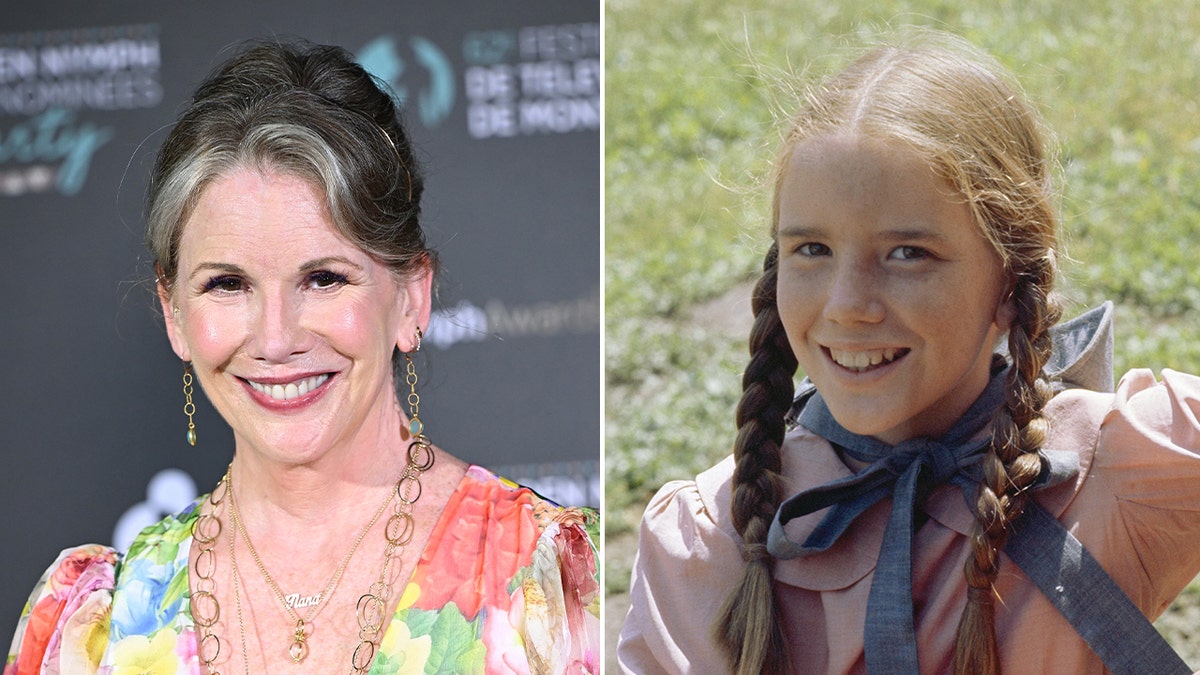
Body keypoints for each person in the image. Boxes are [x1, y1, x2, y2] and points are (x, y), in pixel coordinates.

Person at [6, 41, 598, 675]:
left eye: (323, 278)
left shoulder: (548, 585)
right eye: (226, 284)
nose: (276, 338)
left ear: (410, 298)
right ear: (174, 313)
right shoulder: (95, 625)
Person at [617, 32, 1200, 674]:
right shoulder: (709, 542)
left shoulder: (1112, 471)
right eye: (812, 249)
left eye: (908, 254)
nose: (846, 304)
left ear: (1010, 281)